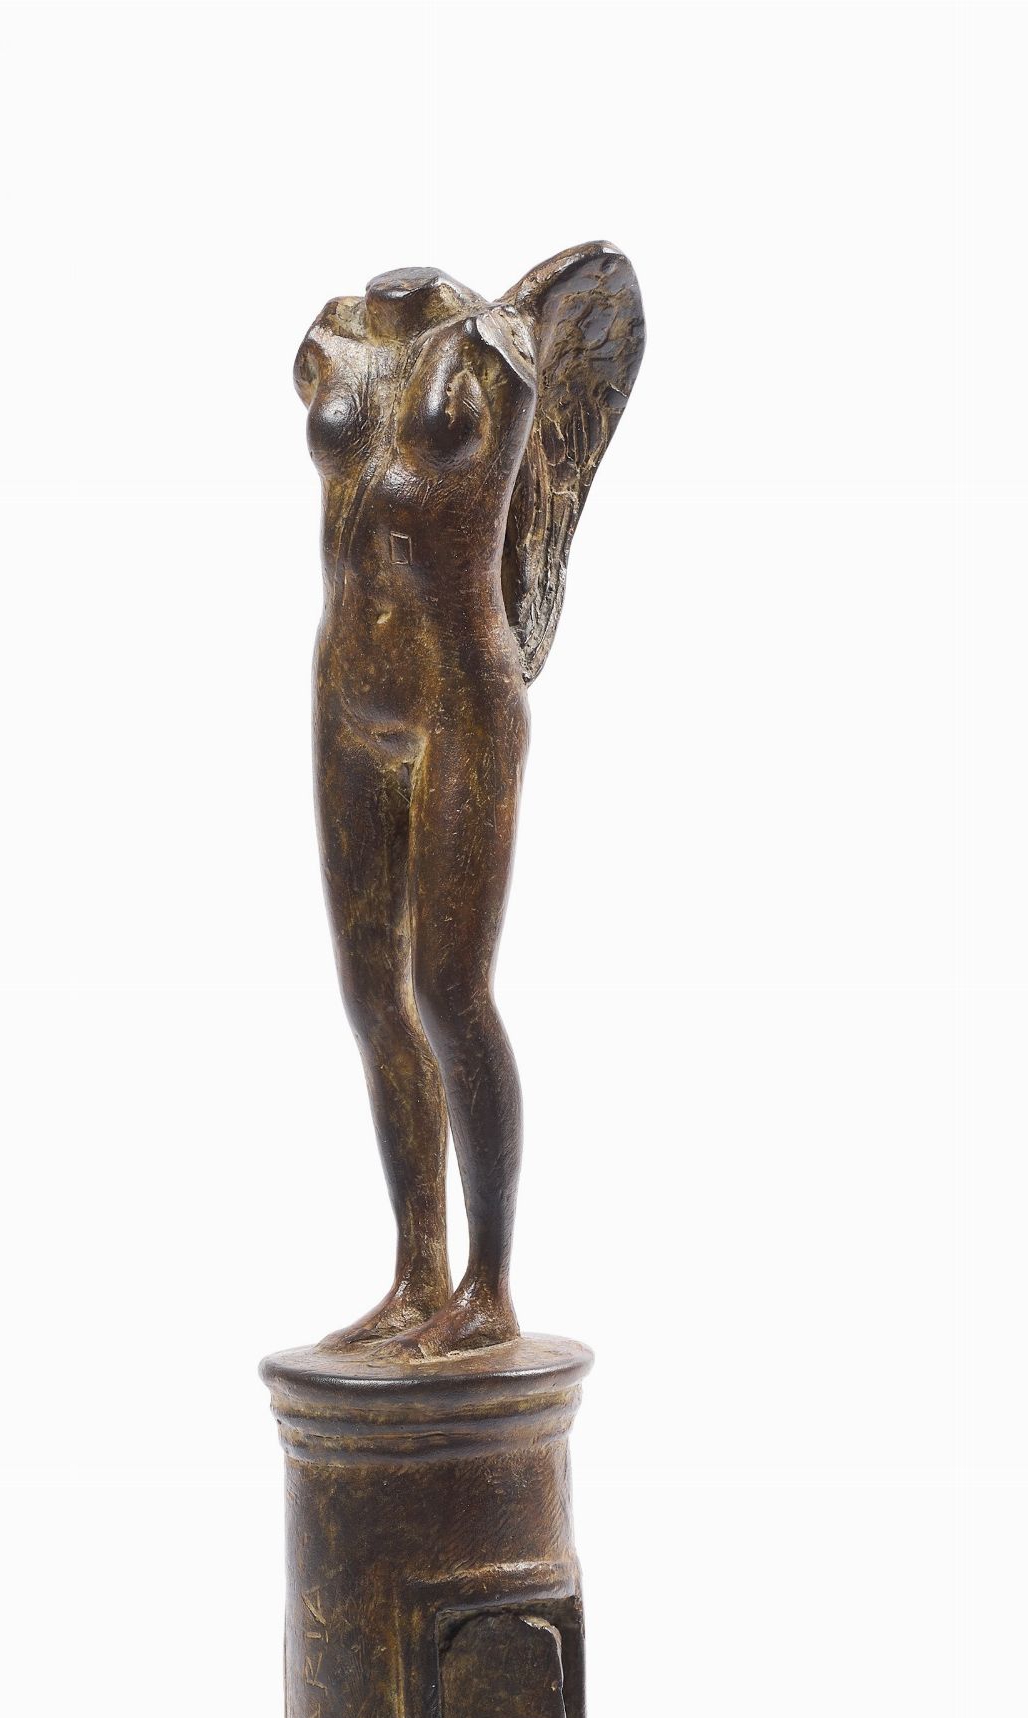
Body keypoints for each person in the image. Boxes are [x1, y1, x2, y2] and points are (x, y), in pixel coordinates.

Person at [294, 245, 644, 1355]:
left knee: (448, 991)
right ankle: (417, 1272)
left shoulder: (499, 354)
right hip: (347, 689)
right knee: (372, 998)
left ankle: (488, 1283)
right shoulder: (335, 340)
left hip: (460, 694)